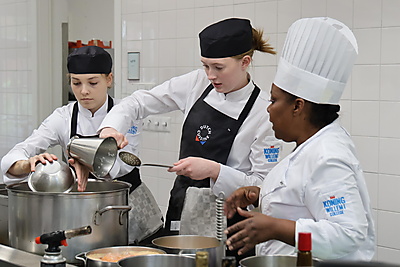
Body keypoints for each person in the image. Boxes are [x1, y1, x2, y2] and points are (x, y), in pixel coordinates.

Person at [98, 18, 282, 260]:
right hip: (181, 211)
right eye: (205, 66)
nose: (210, 75)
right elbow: (138, 102)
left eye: (218, 67)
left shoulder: (263, 112)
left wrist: (215, 171)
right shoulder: (196, 84)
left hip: (228, 225)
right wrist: (111, 128)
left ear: (245, 62)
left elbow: (262, 186)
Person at [223, 17, 376, 261]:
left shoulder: (329, 156)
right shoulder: (310, 145)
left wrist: (275, 228)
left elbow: (348, 234)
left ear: (298, 106)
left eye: (273, 101)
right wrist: (260, 194)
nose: (268, 109)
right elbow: (304, 197)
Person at [0, 45, 163, 245]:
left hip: (127, 209)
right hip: (81, 212)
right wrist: (28, 164)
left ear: (109, 79)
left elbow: (123, 166)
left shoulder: (126, 112)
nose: (84, 91)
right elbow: (14, 156)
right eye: (76, 83)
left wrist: (82, 158)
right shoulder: (63, 117)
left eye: (93, 82)